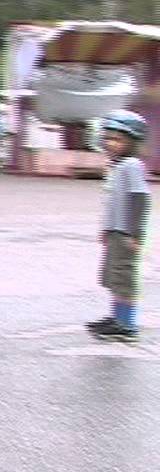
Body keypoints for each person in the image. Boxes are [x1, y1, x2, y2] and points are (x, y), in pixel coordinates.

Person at [86, 109, 150, 342]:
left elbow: (140, 199)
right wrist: (106, 229)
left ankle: (127, 324)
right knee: (113, 276)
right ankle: (116, 318)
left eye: (119, 139)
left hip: (126, 234)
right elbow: (113, 203)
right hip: (115, 232)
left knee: (123, 278)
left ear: (132, 142)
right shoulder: (117, 166)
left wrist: (135, 233)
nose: (111, 144)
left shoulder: (131, 165)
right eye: (108, 138)